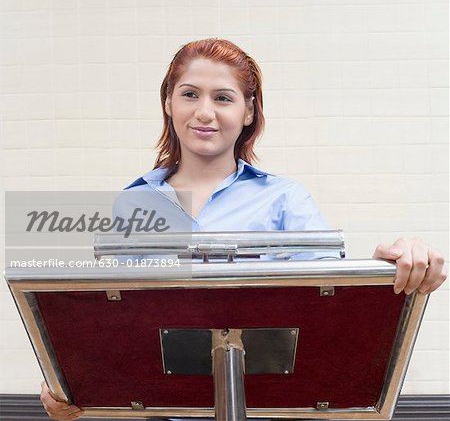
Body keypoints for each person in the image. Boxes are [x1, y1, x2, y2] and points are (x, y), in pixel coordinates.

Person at [40, 38, 447, 420]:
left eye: (222, 98)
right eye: (189, 94)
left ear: (248, 112)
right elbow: (113, 322)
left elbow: (331, 303)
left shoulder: (284, 199)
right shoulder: (133, 203)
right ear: (168, 103)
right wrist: (71, 378)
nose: (204, 112)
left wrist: (391, 265)